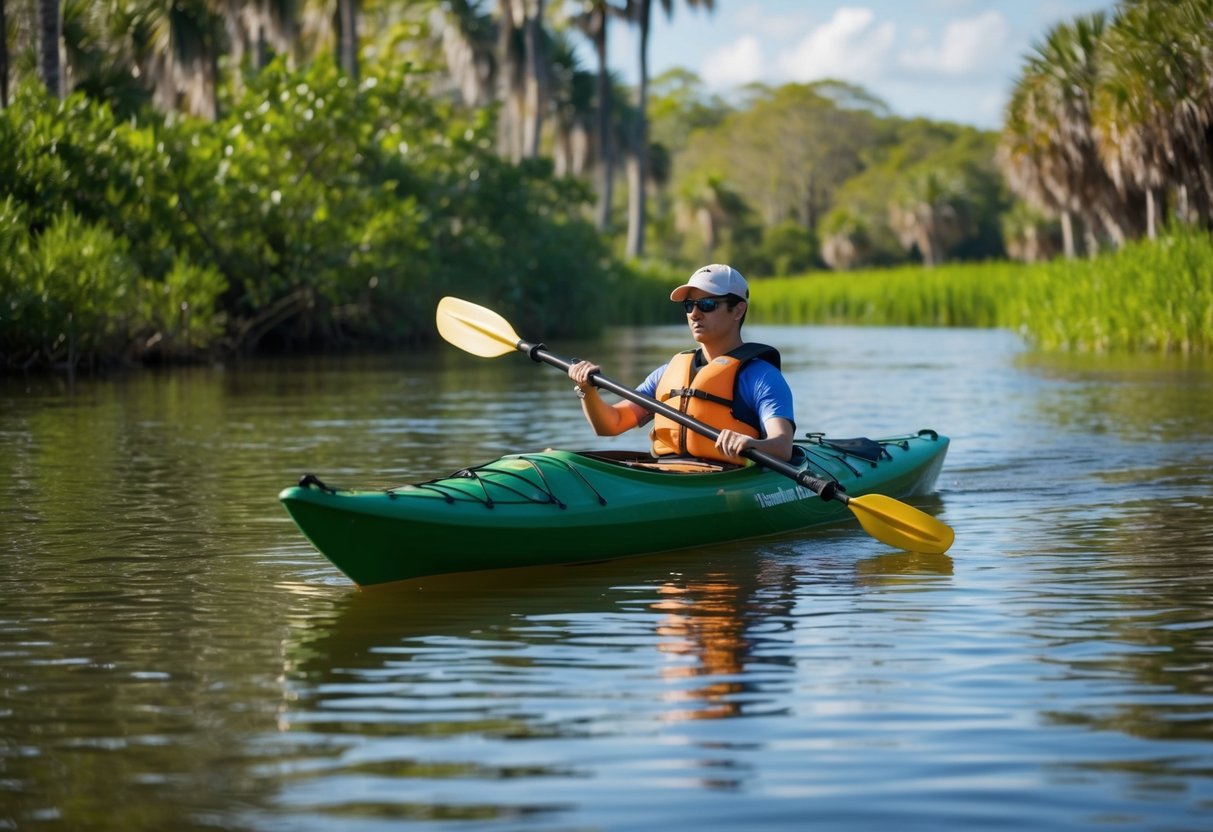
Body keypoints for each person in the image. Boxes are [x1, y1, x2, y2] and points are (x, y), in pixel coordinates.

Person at [568, 264, 796, 463]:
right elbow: (611, 424)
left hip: (726, 478)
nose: (694, 314)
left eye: (707, 304)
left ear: (738, 310)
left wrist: (750, 444)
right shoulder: (666, 374)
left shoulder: (760, 377)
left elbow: (782, 446)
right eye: (689, 305)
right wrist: (587, 391)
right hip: (669, 475)